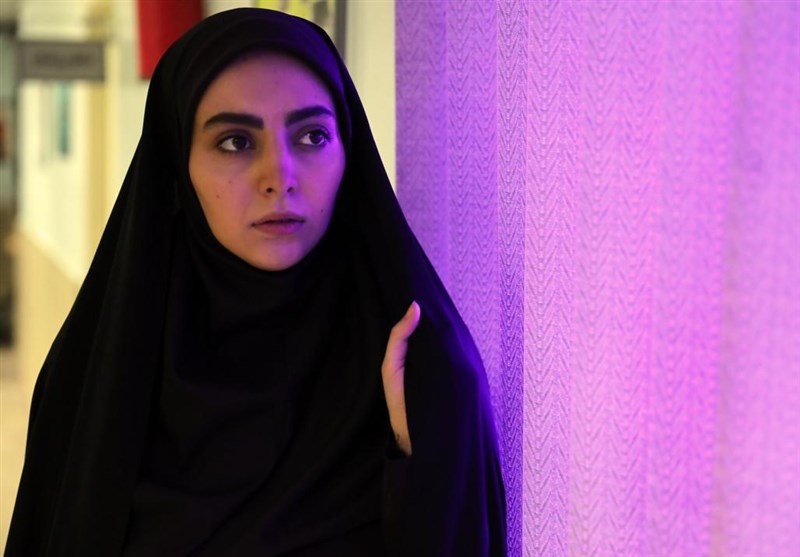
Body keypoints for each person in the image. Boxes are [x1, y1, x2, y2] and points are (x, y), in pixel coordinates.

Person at [5, 8, 506, 556]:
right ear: (178, 164)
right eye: (235, 142)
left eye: (312, 135)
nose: (280, 177)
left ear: (348, 149)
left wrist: (421, 454)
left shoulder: (417, 369)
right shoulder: (94, 385)